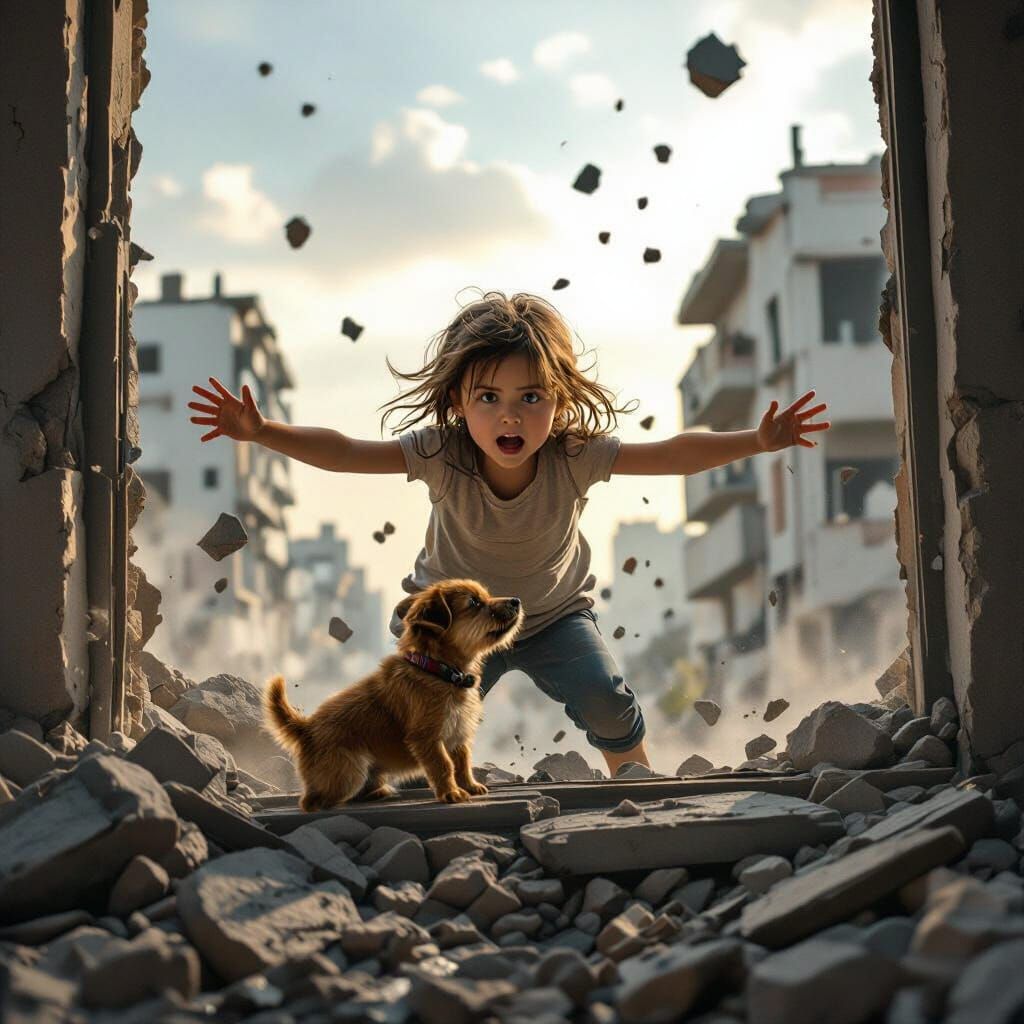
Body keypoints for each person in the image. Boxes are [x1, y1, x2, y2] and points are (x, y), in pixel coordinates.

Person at [188, 289, 829, 777]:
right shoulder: (441, 452)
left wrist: (758, 439)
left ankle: (634, 778)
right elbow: (348, 452)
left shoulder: (575, 455)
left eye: (531, 397)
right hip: (452, 627)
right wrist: (262, 431)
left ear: (560, 402)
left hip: (553, 617)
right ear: (458, 406)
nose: (510, 415)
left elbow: (670, 453)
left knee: (606, 699)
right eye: (488, 397)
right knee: (416, 732)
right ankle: (372, 785)